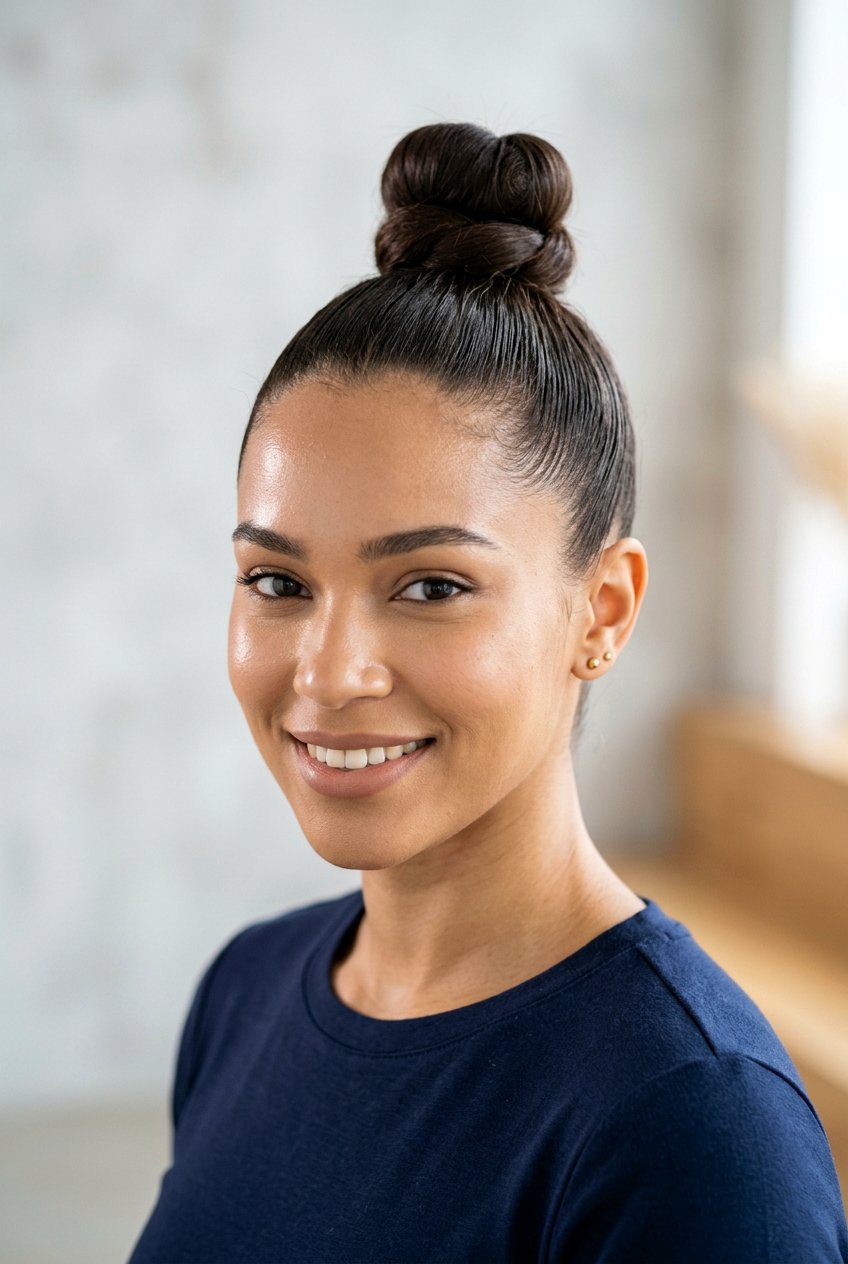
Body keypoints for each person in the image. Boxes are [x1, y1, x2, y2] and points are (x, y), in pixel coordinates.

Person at [128, 122, 848, 1263]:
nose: (327, 670)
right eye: (278, 579)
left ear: (600, 610)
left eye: (428, 585)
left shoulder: (693, 1133)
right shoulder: (244, 992)